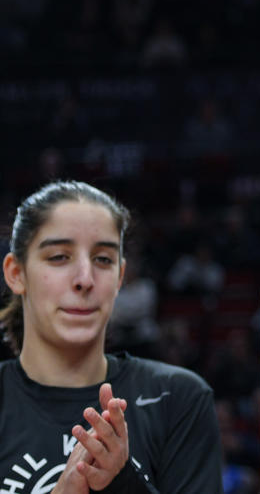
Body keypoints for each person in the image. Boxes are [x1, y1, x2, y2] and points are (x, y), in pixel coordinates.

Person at [1, 180, 221, 494]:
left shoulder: (178, 397)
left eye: (103, 259)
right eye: (59, 257)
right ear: (16, 273)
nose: (85, 280)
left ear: (120, 277)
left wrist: (123, 482)